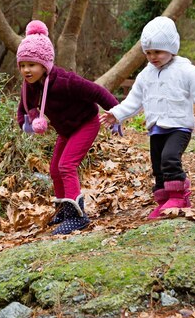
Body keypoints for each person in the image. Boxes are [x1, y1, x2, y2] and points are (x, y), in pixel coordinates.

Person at [99, 16, 195, 219]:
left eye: (158, 52)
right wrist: (116, 114)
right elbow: (133, 101)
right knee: (157, 165)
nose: (153, 57)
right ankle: (164, 201)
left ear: (172, 48)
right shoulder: (145, 75)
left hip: (179, 126)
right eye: (148, 53)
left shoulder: (187, 71)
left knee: (170, 158)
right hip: (156, 127)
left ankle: (178, 197)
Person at [16, 20, 121, 235]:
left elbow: (96, 92)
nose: (26, 70)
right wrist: (25, 123)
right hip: (66, 130)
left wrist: (117, 113)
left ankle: (78, 216)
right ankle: (65, 208)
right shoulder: (29, 86)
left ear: (44, 64)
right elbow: (23, 109)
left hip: (86, 123)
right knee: (54, 168)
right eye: (22, 65)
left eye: (31, 64)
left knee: (66, 165)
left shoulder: (66, 80)